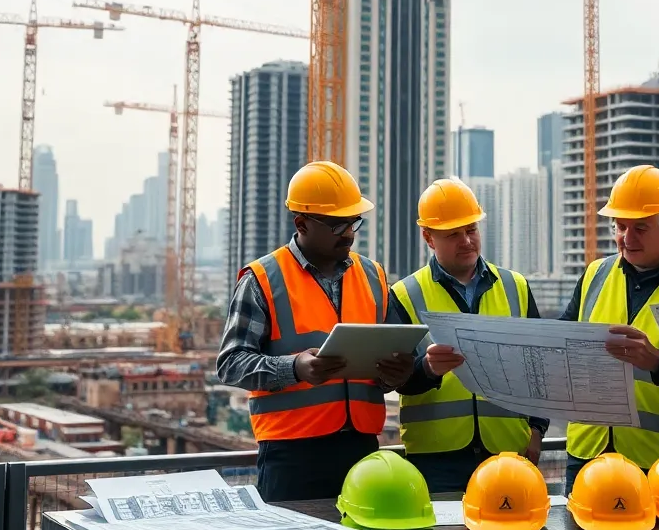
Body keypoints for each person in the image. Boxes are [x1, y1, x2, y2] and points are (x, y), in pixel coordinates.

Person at [216, 161, 414, 501]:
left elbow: (395, 352)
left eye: (354, 222)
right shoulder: (263, 279)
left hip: (362, 448)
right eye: (337, 225)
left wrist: (397, 374)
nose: (349, 233)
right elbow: (231, 363)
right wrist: (294, 368)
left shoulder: (373, 276)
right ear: (302, 223)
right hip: (291, 456)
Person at [560, 164, 659, 494]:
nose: (627, 238)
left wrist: (658, 363)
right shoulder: (595, 275)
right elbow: (562, 343)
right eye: (620, 227)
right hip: (587, 455)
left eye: (640, 228)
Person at [388, 178, 549, 491]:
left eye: (471, 230)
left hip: (509, 451)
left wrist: (537, 431)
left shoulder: (514, 287)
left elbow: (539, 367)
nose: (467, 241)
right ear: (428, 237)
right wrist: (427, 369)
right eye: (453, 234)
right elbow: (393, 378)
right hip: (436, 459)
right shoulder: (404, 295)